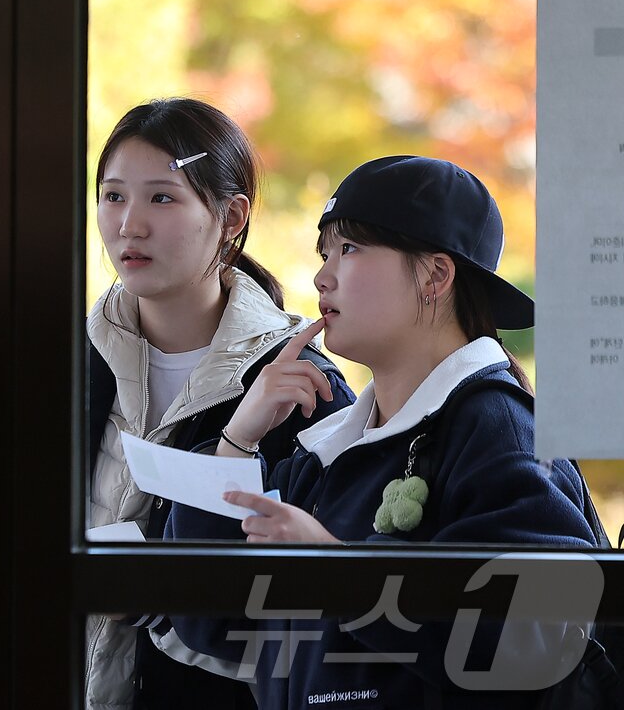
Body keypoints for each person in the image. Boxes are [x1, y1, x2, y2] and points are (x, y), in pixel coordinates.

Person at [164, 155, 600, 709]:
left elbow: (535, 635)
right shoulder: (328, 448)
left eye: (349, 250)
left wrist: (337, 572)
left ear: (436, 277)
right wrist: (237, 440)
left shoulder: (501, 429)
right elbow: (211, 620)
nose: (322, 276)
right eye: (325, 254)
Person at [85, 98, 354, 710]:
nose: (129, 224)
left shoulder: (296, 385)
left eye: (161, 197)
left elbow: (320, 615)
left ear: (231, 216)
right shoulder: (72, 361)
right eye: (113, 195)